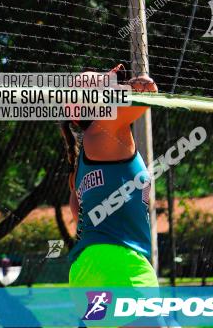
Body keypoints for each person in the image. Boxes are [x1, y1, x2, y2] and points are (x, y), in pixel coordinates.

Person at [60, 64, 158, 289]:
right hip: (119, 266)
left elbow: (80, 217)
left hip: (84, 271)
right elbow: (148, 88)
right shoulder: (105, 129)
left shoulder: (81, 163)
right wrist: (121, 86)